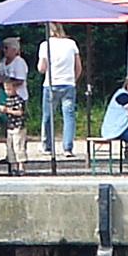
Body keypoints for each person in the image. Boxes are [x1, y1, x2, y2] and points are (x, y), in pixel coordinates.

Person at [37, 23, 81, 158]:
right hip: (68, 83)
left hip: (51, 83)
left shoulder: (45, 45)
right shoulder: (71, 44)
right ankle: (67, 147)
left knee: (48, 116)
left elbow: (41, 68)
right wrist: (73, 79)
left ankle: (47, 145)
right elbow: (78, 66)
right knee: (68, 116)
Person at [0, 43, 28, 175]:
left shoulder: (19, 62)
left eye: (6, 48)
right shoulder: (3, 62)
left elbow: (19, 80)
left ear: (14, 50)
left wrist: (7, 82)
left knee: (18, 144)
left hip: (18, 118)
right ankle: (12, 163)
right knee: (9, 141)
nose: (4, 51)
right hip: (9, 115)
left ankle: (21, 166)